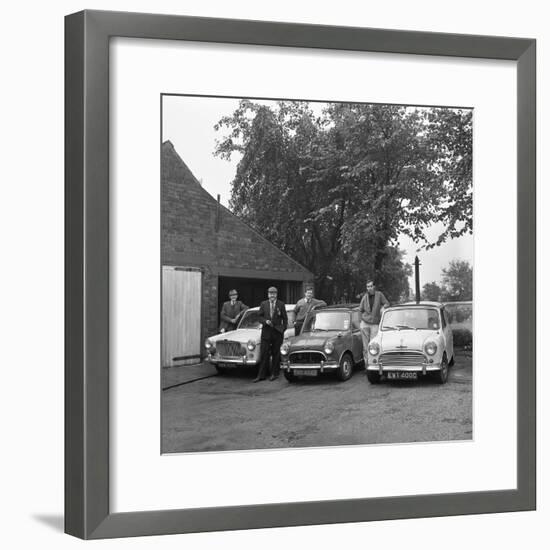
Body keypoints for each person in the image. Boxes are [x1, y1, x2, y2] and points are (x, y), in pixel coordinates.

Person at [254, 286, 288, 382]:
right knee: (264, 354)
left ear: (276, 294)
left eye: (274, 293)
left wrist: (283, 329)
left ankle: (275, 374)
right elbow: (259, 317)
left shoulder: (281, 304)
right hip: (266, 333)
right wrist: (265, 321)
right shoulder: (263, 304)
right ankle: (261, 375)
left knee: (276, 354)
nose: (272, 295)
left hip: (277, 333)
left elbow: (285, 319)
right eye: (270, 293)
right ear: (268, 294)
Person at [359, 280, 389, 361]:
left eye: (371, 286)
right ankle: (367, 365)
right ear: (366, 288)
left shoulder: (379, 295)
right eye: (368, 286)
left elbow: (387, 303)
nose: (369, 288)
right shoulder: (365, 297)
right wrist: (361, 322)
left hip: (375, 324)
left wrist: (383, 307)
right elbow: (360, 309)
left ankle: (374, 363)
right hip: (365, 323)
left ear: (374, 287)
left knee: (373, 345)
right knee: (365, 347)